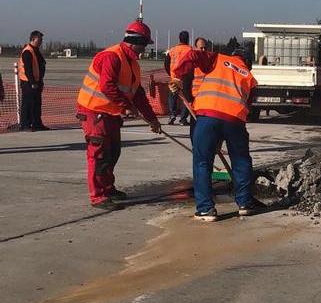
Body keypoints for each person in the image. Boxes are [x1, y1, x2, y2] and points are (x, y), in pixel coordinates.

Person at [76, 20, 162, 210]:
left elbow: (137, 93)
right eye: (143, 45)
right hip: (95, 111)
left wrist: (152, 119)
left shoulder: (132, 63)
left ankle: (108, 188)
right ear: (134, 41)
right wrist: (126, 106)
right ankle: (98, 196)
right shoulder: (112, 57)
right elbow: (107, 86)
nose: (144, 50)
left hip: (111, 113)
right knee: (99, 155)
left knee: (113, 152)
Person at [172, 46, 261, 222]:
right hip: (235, 122)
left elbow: (193, 54)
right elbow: (248, 108)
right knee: (241, 161)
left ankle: (206, 209)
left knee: (203, 162)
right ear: (248, 62)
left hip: (208, 117)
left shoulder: (217, 59)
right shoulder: (249, 77)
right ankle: (244, 204)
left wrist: (177, 74)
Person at [18, 30, 48, 131]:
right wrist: (32, 82)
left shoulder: (36, 50)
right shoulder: (28, 51)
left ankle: (37, 123)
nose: (41, 42)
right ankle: (25, 124)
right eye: (39, 40)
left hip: (37, 81)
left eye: (41, 40)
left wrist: (39, 80)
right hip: (28, 82)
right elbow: (28, 69)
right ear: (33, 39)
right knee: (27, 103)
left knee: (37, 104)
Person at [164, 30, 192, 125]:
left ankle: (172, 114)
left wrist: (171, 74)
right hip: (186, 78)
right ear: (188, 39)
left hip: (174, 77)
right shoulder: (190, 50)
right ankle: (183, 119)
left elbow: (166, 64)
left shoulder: (172, 50)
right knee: (187, 98)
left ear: (179, 38)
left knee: (173, 96)